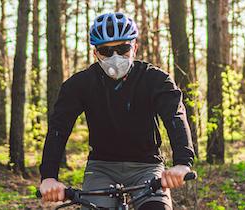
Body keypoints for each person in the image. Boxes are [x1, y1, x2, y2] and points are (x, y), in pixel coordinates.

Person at [39, 12, 195, 210]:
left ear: (135, 48)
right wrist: (49, 177)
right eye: (106, 51)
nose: (115, 57)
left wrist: (182, 163)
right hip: (101, 168)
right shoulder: (78, 85)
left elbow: (175, 116)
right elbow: (58, 129)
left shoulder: (156, 80)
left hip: (147, 167)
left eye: (123, 48)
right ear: (95, 54)